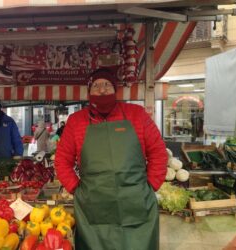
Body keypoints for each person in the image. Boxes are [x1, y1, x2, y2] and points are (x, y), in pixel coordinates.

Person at [54, 68, 168, 250]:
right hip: (94, 204)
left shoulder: (136, 115)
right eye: (96, 85)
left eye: (107, 85)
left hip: (135, 202)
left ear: (115, 90)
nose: (102, 89)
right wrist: (75, 188)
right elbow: (62, 160)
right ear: (89, 91)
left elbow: (158, 153)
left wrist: (151, 185)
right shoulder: (76, 121)